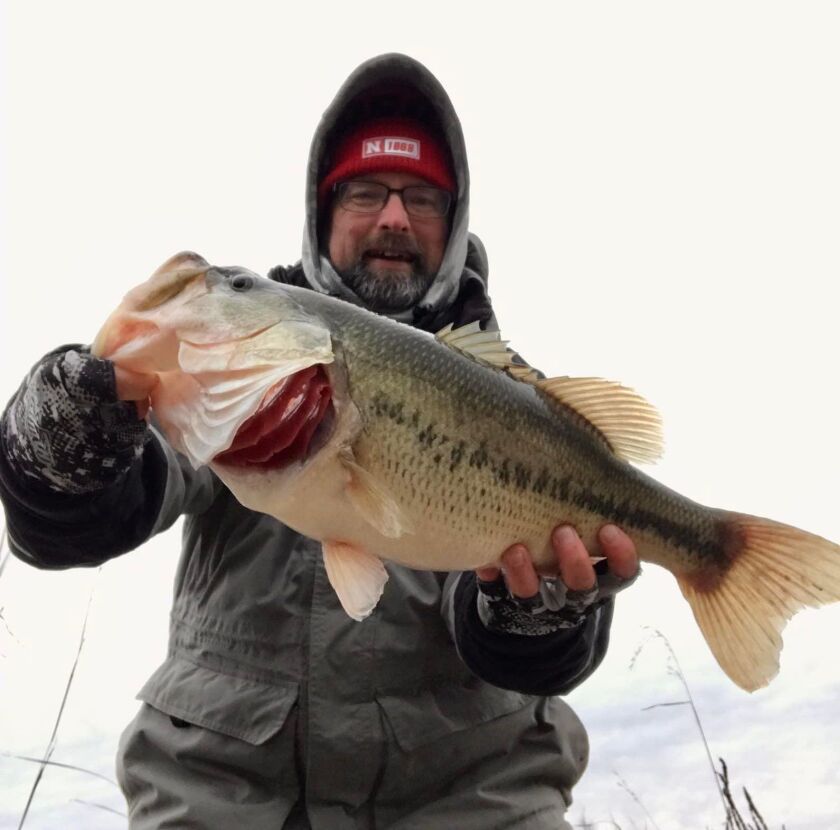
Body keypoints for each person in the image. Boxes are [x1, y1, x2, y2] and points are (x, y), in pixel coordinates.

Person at [0, 54, 639, 829]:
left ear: (455, 218)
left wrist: (536, 616)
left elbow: (537, 656)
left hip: (472, 800)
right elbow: (85, 520)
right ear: (322, 210)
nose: (394, 218)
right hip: (222, 798)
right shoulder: (242, 360)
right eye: (366, 192)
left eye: (423, 198)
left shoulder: (527, 406)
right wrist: (64, 442)